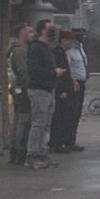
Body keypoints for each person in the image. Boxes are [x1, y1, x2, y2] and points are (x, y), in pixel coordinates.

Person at [25, 18, 65, 169]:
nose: (53, 31)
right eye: (50, 28)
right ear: (42, 30)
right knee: (38, 124)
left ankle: (42, 153)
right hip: (38, 90)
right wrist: (53, 72)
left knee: (45, 125)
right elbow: (34, 70)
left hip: (48, 90)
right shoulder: (36, 48)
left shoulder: (47, 48)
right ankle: (32, 155)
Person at [50, 30, 85, 153]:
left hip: (68, 88)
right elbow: (58, 73)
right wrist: (61, 91)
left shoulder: (63, 53)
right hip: (62, 91)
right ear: (63, 40)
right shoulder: (58, 53)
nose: (71, 43)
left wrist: (72, 81)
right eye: (69, 40)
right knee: (60, 117)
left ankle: (65, 141)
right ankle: (56, 143)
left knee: (69, 115)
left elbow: (66, 71)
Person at [6, 23, 35, 165]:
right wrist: (28, 88)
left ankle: (14, 152)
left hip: (16, 89)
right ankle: (20, 152)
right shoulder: (21, 51)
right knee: (24, 120)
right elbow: (23, 72)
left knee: (17, 120)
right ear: (22, 32)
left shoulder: (13, 49)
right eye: (29, 31)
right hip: (22, 89)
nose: (32, 34)